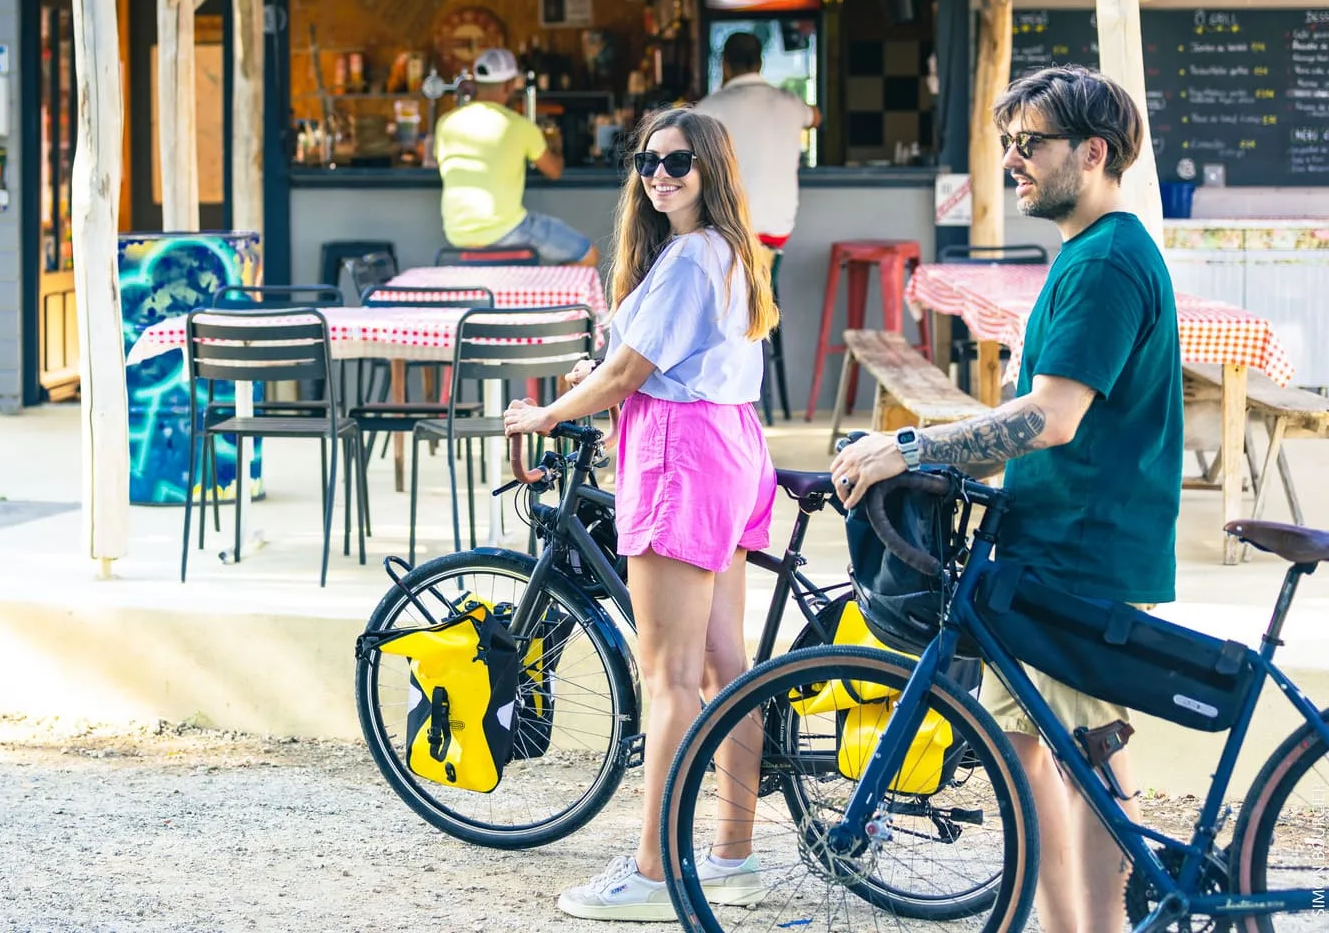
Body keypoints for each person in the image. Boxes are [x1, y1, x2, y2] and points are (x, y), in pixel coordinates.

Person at [829, 64, 1180, 933]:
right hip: (1058, 541)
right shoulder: (1094, 252)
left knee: (1079, 765)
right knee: (1046, 757)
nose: (1014, 160)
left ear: (1093, 152)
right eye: (1008, 143)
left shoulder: (1104, 262)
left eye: (1031, 144)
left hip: (1076, 547)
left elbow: (1051, 417)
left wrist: (910, 444)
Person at [503, 108, 777, 921]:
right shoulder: (730, 251)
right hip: (731, 446)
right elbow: (642, 360)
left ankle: (655, 872)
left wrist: (547, 414)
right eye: (649, 160)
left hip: (678, 454)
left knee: (669, 678)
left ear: (712, 168)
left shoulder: (691, 257)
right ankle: (731, 857)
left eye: (679, 161)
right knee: (727, 668)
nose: (660, 173)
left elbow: (626, 373)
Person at [434, 47, 598, 267]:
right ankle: (547, 294)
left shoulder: (446, 122)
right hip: (507, 231)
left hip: (456, 234)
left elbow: (439, 161)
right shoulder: (520, 126)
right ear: (509, 85)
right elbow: (554, 171)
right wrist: (556, 147)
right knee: (586, 254)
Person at [695, 31, 819, 249]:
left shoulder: (708, 108)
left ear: (724, 64)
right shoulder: (789, 102)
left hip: (727, 228)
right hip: (777, 229)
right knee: (763, 280)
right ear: (760, 63)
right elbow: (816, 117)